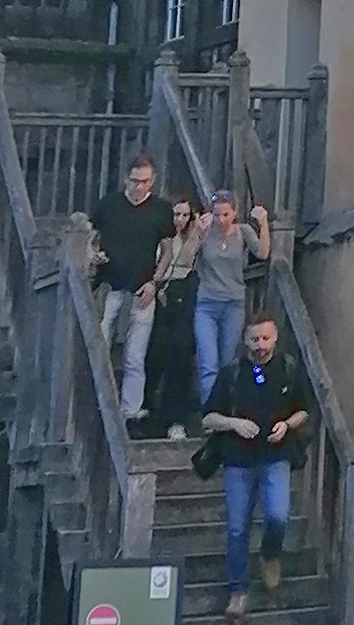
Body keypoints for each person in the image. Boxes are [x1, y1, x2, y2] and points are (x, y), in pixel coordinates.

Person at [200, 310, 311, 616]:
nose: (261, 345)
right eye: (254, 339)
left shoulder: (288, 368)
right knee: (237, 528)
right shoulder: (232, 373)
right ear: (245, 340)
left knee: (278, 516)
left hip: (276, 456)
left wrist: (287, 425)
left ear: (275, 337)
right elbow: (208, 418)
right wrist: (234, 424)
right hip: (238, 461)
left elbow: (304, 410)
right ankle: (238, 591)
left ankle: (270, 555)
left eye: (266, 338)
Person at [87, 149, 170, 428]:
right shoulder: (109, 204)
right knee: (101, 345)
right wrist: (92, 254)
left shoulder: (160, 210)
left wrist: (155, 283)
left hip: (143, 289)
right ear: (126, 179)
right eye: (135, 180)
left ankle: (130, 410)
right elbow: (89, 233)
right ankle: (96, 403)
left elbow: (168, 250)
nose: (139, 186)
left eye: (145, 181)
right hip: (110, 284)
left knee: (135, 354)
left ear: (153, 181)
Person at [190, 187, 271, 410]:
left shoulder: (242, 232)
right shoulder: (206, 232)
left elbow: (263, 253)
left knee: (227, 361)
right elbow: (186, 259)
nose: (221, 219)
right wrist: (197, 233)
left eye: (226, 214)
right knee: (208, 362)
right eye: (217, 214)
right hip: (207, 303)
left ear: (234, 212)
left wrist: (263, 224)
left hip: (233, 303)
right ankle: (209, 412)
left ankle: (224, 409)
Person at [143, 192, 203, 439]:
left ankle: (176, 418)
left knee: (181, 353)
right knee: (155, 352)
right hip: (159, 291)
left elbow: (187, 260)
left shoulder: (194, 236)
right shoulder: (160, 235)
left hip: (184, 290)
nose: (180, 220)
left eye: (185, 215)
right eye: (176, 214)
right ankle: (148, 407)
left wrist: (196, 231)